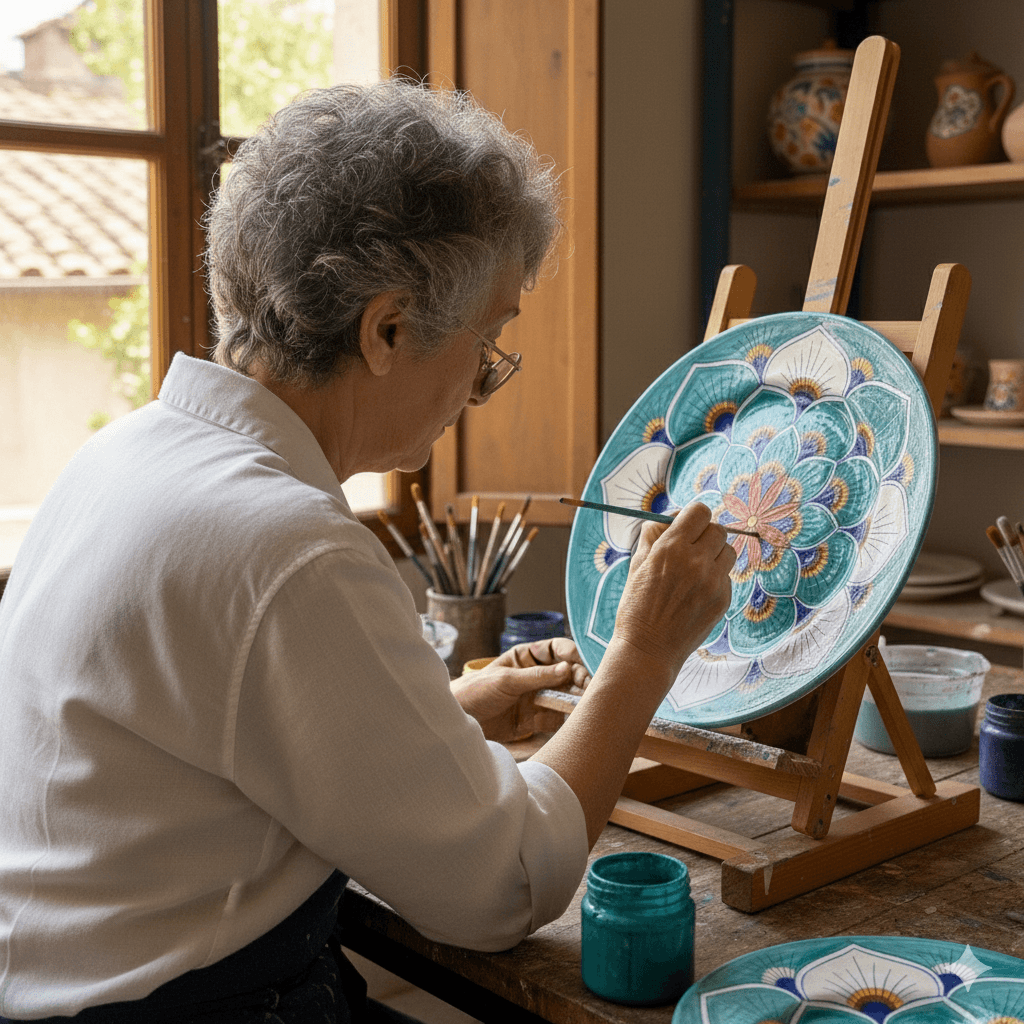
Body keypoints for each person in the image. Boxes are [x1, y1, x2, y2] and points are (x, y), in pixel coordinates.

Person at [0, 79, 735, 1022]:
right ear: (388, 329)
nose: (483, 382)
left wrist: (443, 717)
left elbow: (199, 750)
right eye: (491, 340)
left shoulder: (124, 453)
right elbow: (504, 889)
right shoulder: (290, 549)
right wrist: (643, 655)